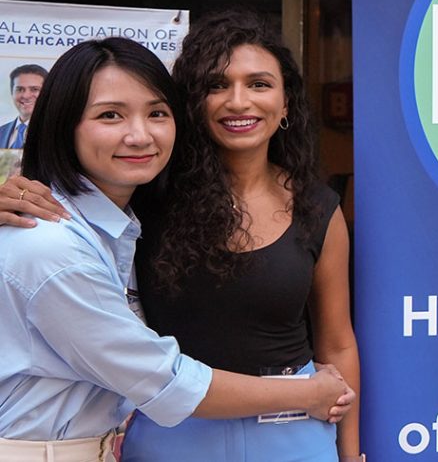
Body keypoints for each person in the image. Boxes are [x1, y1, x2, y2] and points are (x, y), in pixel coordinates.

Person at [0, 38, 354, 462]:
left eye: (155, 114)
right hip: (109, 444)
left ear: (286, 103)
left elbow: (338, 341)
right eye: (110, 115)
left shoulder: (116, 224)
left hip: (278, 439)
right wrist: (308, 392)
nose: (139, 134)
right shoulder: (63, 242)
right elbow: (163, 379)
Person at [1, 64, 47, 149]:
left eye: (34, 89)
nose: (26, 95)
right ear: (12, 93)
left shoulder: (58, 132)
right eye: (20, 89)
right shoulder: (1, 132)